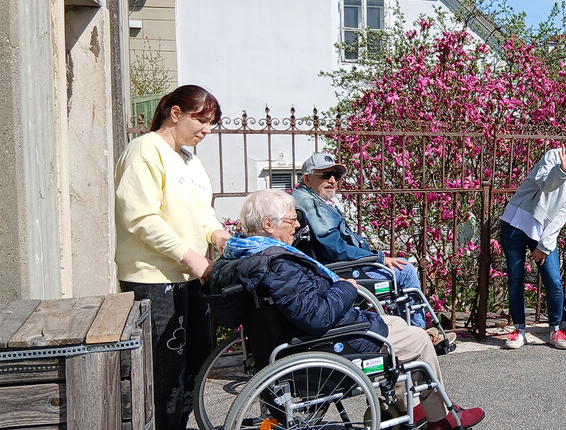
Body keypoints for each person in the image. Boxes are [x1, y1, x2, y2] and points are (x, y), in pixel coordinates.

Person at [208, 189, 484, 430]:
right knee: (419, 340)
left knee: (397, 325)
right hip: (323, 342)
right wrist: (347, 288)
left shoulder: (244, 255)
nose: (296, 227)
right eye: (291, 220)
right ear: (268, 224)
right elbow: (316, 316)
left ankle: (410, 405)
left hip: (295, 337)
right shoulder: (277, 265)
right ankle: (441, 419)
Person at [114, 85, 229, 429]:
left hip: (192, 276)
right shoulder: (144, 151)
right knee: (164, 376)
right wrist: (191, 257)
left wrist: (218, 235)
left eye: (212, 123)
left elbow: (201, 212)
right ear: (176, 113)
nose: (207, 130)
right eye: (202, 120)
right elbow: (141, 218)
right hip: (154, 281)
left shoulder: (189, 158)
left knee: (195, 365)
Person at [292, 152, 436, 333]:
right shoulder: (311, 205)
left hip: (335, 266)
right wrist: (378, 257)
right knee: (405, 270)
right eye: (325, 175)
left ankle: (410, 331)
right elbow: (335, 249)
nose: (333, 181)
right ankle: (419, 331)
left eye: (336, 176)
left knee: (399, 266)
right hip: (340, 270)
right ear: (307, 178)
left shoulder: (310, 199)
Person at [500, 135, 566, 350]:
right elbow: (545, 185)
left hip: (541, 232)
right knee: (515, 278)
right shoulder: (554, 156)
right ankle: (519, 330)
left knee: (554, 281)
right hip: (516, 222)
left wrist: (544, 245)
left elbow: (561, 215)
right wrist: (562, 169)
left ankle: (555, 329)